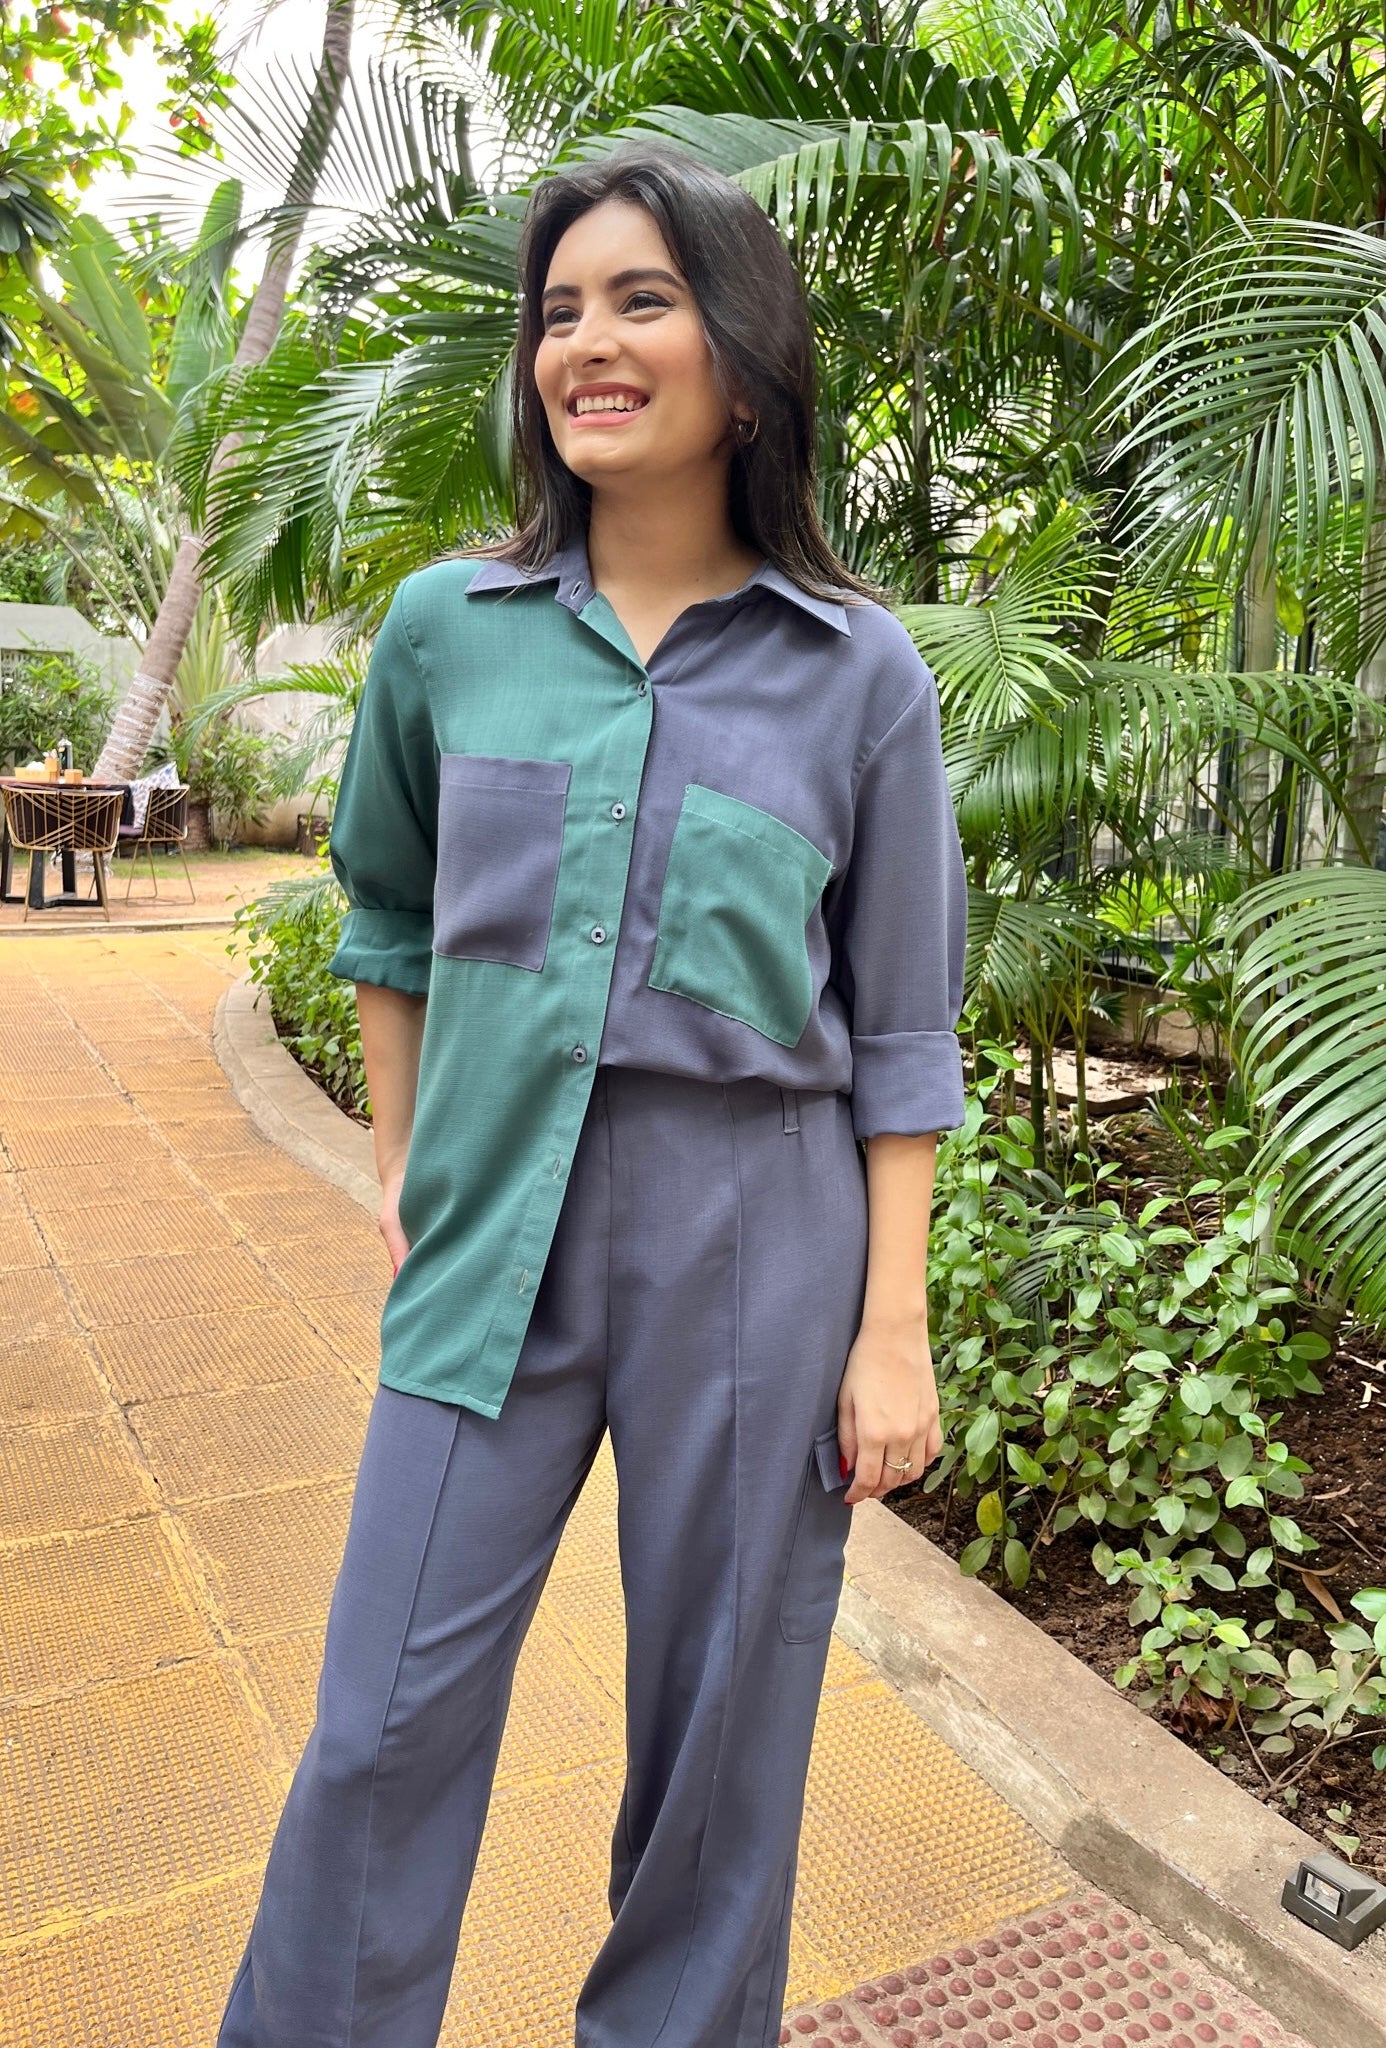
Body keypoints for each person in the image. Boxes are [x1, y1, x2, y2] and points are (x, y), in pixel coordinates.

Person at [217, 140, 967, 2048]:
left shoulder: (857, 673)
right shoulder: (442, 630)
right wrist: (405, 1161)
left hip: (758, 1235)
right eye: (559, 313)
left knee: (721, 1738)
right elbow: (387, 914)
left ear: (744, 358)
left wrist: (891, 1330)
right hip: (494, 1232)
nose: (588, 346)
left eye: (642, 300)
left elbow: (899, 1029)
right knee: (380, 1723)